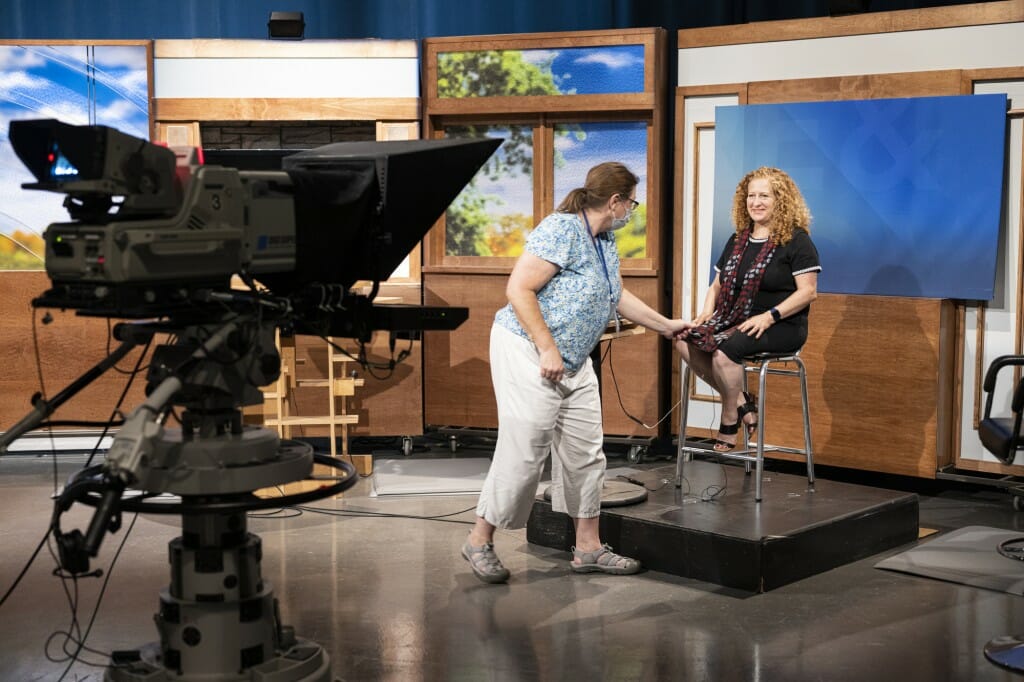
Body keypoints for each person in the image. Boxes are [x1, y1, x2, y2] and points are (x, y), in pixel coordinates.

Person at [461, 161, 690, 584]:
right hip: (528, 350)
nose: (631, 213)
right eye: (631, 204)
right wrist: (547, 347)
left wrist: (666, 325)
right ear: (615, 201)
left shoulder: (604, 240)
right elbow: (518, 289)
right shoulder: (561, 229)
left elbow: (615, 295)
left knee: (587, 452)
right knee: (526, 445)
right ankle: (479, 539)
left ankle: (588, 548)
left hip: (574, 359)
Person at [674, 166, 820, 451]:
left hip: (783, 325)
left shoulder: (797, 241)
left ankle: (730, 420)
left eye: (764, 195)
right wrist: (706, 312)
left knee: (724, 353)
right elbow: (717, 285)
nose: (756, 202)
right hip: (735, 319)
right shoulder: (737, 240)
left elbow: (808, 293)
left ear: (781, 200)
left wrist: (770, 316)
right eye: (751, 196)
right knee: (683, 338)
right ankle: (742, 404)